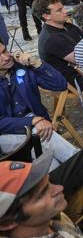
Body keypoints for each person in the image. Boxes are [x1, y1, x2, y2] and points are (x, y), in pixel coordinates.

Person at [0, 41, 78, 170]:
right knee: (43, 136)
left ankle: (79, 170)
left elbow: (60, 85)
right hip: (7, 134)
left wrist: (38, 64)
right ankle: (82, 161)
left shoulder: (21, 67)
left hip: (37, 126)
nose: (7, 56)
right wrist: (33, 121)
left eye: (4, 51)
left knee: (52, 165)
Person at [33, 0, 83, 89]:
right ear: (46, 16)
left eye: (63, 7)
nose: (65, 11)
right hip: (74, 80)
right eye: (59, 10)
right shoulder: (51, 38)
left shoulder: (67, 26)